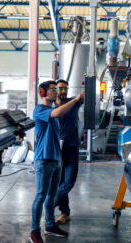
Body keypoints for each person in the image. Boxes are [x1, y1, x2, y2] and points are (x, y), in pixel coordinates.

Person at [30, 80, 84, 243]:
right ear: (43, 93)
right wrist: (75, 100)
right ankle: (34, 231)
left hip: (55, 158)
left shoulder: (54, 109)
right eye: (53, 90)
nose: (56, 92)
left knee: (52, 195)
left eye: (57, 89)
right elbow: (58, 113)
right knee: (40, 195)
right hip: (43, 159)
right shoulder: (40, 110)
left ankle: (50, 225)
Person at [55, 79, 83, 224]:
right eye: (60, 88)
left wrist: (90, 85)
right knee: (59, 182)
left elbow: (87, 96)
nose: (63, 91)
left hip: (72, 148)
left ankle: (51, 201)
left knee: (68, 183)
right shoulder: (51, 107)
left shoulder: (74, 102)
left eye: (65, 88)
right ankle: (65, 213)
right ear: (55, 90)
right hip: (56, 150)